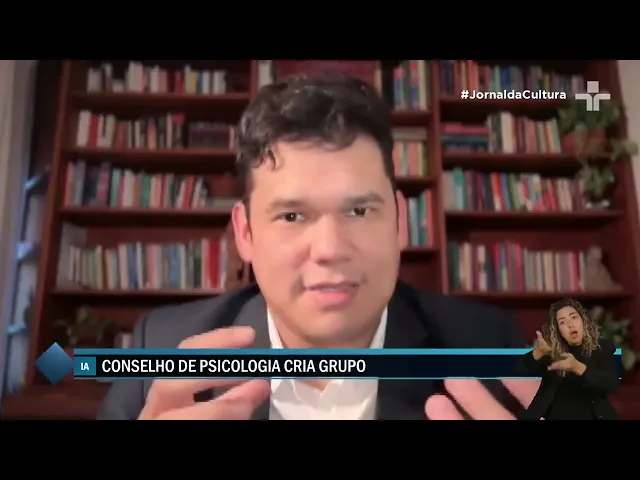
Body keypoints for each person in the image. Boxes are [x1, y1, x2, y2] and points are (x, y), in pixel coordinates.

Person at [97, 71, 540, 421]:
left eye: (359, 211)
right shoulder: (163, 355)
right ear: (245, 233)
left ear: (400, 222)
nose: (329, 249)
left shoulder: (488, 350)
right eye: (292, 216)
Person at [518, 298, 620, 420]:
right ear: (558, 331)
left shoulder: (602, 347)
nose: (570, 324)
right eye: (562, 322)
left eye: (574, 317)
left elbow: (612, 384)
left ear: (583, 320)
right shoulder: (553, 352)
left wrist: (578, 367)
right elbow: (520, 369)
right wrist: (538, 352)